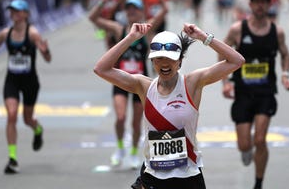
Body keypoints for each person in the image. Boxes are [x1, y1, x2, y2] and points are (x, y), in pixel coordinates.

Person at [94, 22, 245, 189]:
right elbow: (101, 69)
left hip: (188, 175)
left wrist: (203, 37)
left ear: (179, 61)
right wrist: (130, 38)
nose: (164, 64)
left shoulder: (192, 83)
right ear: (152, 61)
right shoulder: (144, 86)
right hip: (153, 175)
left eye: (170, 58)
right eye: (159, 58)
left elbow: (237, 60)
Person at [88, 0, 168, 169]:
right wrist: (103, 1)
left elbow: (165, 9)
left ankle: (133, 153)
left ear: (141, 11)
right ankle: (120, 149)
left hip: (139, 83)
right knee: (121, 117)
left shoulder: (147, 29)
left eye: (135, 9)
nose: (131, 12)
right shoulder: (119, 29)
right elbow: (93, 18)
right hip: (120, 80)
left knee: (135, 122)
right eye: (128, 9)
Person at [220, 0, 289, 189]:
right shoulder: (237, 30)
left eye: (264, 1)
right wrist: (225, 81)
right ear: (250, 4)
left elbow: (285, 55)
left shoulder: (277, 32)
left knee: (260, 140)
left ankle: (258, 183)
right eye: (256, 1)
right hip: (242, 93)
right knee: (245, 145)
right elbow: (222, 52)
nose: (260, 5)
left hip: (265, 93)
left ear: (269, 5)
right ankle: (246, 147)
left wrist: (285, 75)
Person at [0, 0, 52, 174]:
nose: (14, 14)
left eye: (17, 11)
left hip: (30, 82)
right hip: (12, 81)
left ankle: (37, 129)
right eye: (11, 11)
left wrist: (45, 50)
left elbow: (48, 59)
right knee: (11, 115)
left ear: (25, 14)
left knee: (27, 119)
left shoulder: (33, 34)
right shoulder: (5, 33)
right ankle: (12, 158)